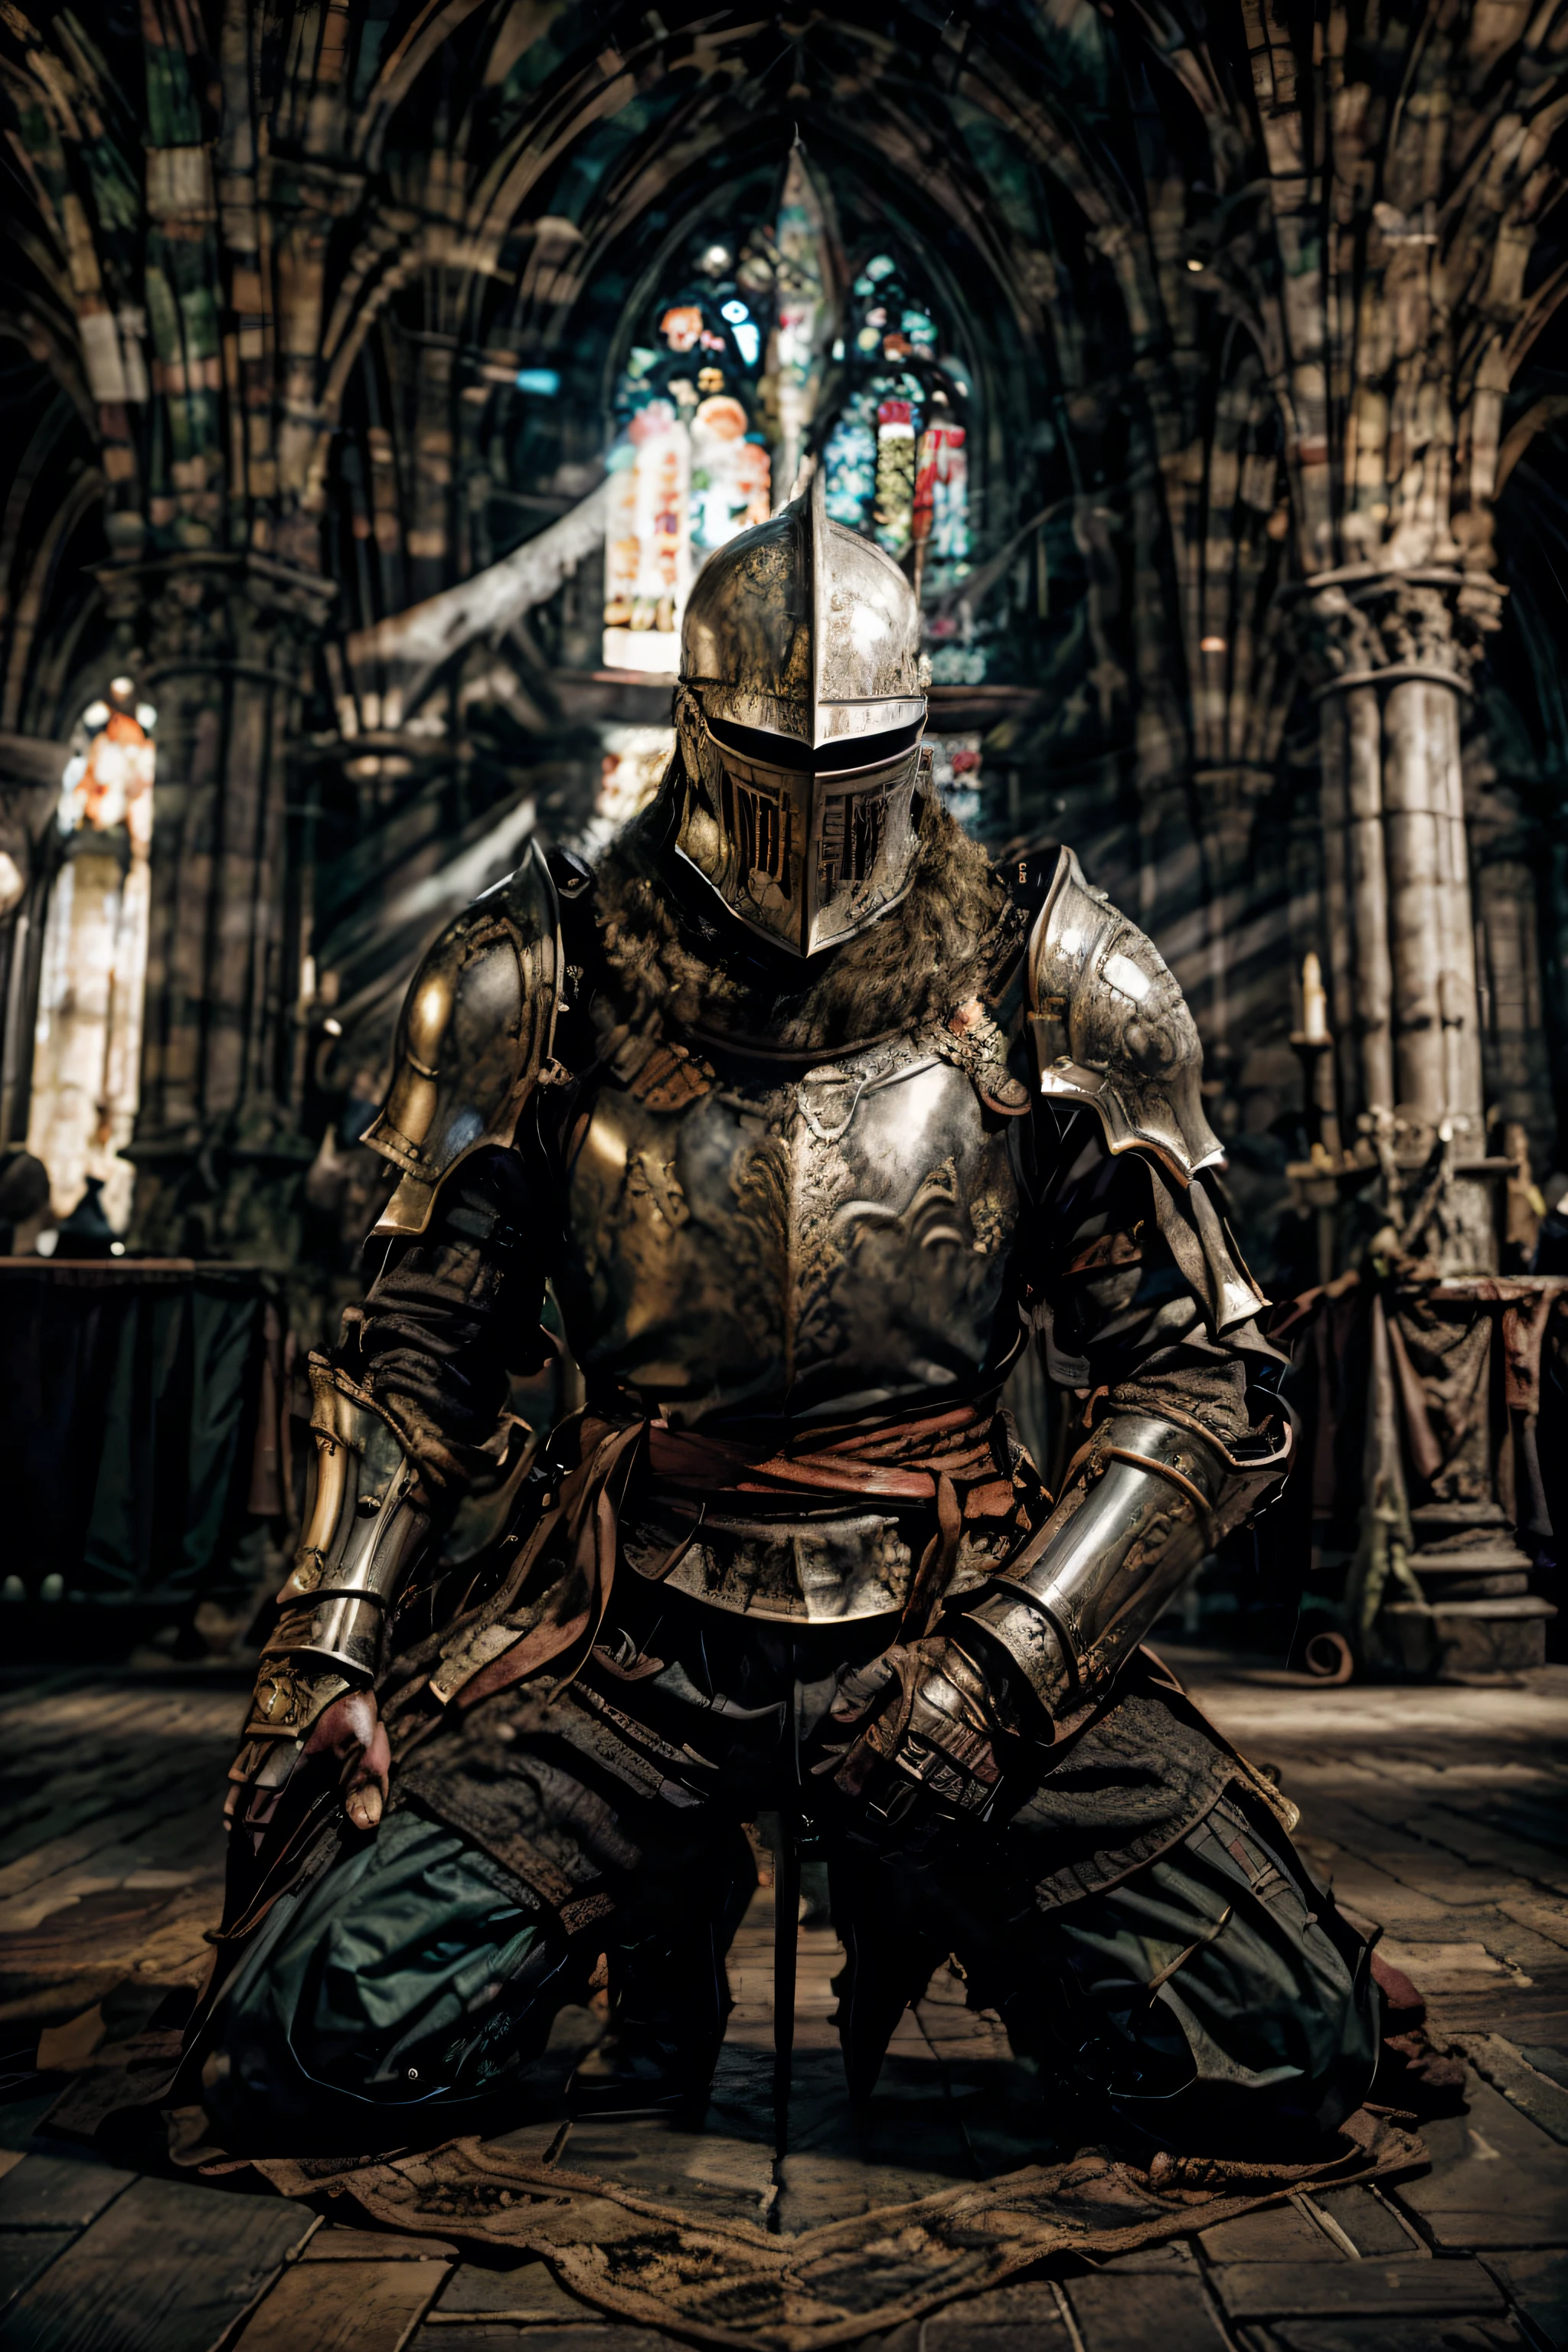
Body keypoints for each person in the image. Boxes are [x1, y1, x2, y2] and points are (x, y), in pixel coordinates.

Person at [190, 473, 1377, 2160]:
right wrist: (331, 1648)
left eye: (852, 765)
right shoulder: (540, 975)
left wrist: (1008, 1667)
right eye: (780, 761)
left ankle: (954, 1882)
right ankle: (649, 1879)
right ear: (693, 732)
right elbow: (419, 1356)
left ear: (917, 741)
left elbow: (1198, 1376)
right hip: (628, 1630)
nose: (814, 806)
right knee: (309, 2040)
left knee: (1285, 2046)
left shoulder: (1052, 975)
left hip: (944, 1601)